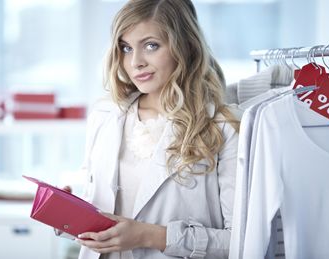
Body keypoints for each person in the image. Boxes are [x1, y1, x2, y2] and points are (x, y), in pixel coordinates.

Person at [58, 0, 239, 258]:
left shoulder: (223, 126)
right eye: (126, 48)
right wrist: (70, 214)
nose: (136, 62)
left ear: (185, 46)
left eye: (151, 46)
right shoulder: (104, 116)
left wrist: (148, 235)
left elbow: (239, 241)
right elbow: (101, 216)